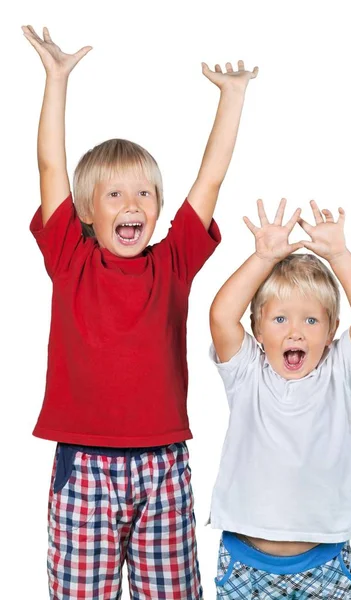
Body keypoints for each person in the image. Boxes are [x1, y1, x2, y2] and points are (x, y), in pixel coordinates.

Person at [22, 23, 258, 600]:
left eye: (145, 194)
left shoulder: (172, 262)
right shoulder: (70, 259)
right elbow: (52, 169)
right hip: (85, 469)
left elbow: (211, 179)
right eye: (115, 195)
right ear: (87, 211)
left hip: (164, 464)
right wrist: (56, 80)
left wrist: (232, 99)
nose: (133, 205)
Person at [209, 197, 351, 598]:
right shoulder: (246, 371)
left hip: (323, 565)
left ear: (331, 328)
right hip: (246, 563)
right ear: (257, 326)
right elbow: (221, 316)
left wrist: (339, 255)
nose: (296, 333)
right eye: (280, 318)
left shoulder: (339, 371)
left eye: (310, 320)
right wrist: (262, 258)